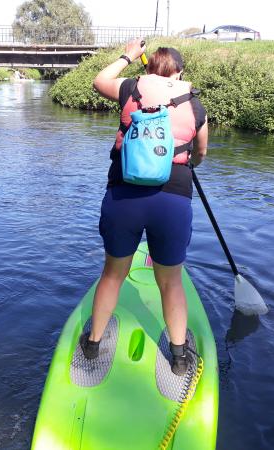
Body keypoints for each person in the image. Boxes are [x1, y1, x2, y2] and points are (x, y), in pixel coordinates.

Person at [79, 38, 208, 375]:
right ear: (179, 74)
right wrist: (187, 158)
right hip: (174, 199)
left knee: (112, 274)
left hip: (124, 197)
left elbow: (98, 81)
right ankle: (179, 357)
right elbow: (201, 153)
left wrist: (127, 55)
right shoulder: (195, 106)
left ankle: (92, 344)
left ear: (147, 68)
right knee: (171, 282)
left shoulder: (129, 88)